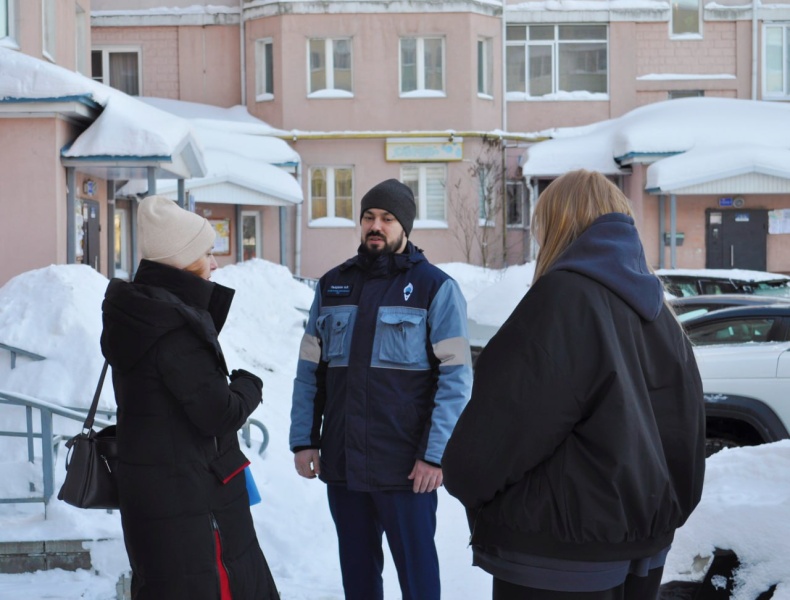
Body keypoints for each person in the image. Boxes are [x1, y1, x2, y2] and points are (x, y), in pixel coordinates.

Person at [442, 169, 706, 600]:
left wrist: (464, 478)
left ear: (557, 226)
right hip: (642, 552)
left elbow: (497, 432)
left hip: (557, 558)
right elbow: (685, 436)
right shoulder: (661, 314)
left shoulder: (563, 299)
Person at [289, 178, 473, 600]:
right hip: (344, 463)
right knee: (357, 577)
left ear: (404, 226)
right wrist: (304, 439)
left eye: (387, 218)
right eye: (369, 217)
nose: (376, 226)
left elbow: (457, 380)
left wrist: (434, 455)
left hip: (406, 469)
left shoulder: (435, 288)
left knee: (418, 580)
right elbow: (309, 372)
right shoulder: (332, 286)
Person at [101, 195, 279, 600]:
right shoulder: (175, 327)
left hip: (152, 495)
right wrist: (250, 384)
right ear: (182, 261)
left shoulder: (136, 313)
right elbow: (219, 413)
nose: (214, 264)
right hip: (192, 500)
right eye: (206, 253)